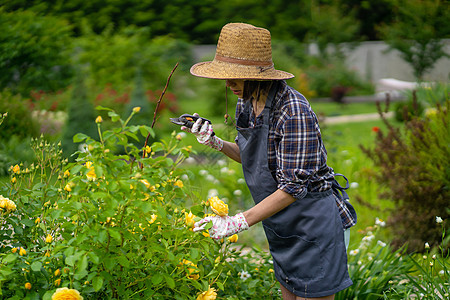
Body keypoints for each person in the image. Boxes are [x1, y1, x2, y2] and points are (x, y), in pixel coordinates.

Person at [182, 23, 357, 300]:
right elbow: (254, 158)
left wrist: (237, 221)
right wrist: (215, 142)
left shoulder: (293, 111)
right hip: (282, 226)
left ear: (257, 76)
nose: (228, 85)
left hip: (313, 226)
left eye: (235, 78)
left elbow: (292, 188)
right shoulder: (247, 103)